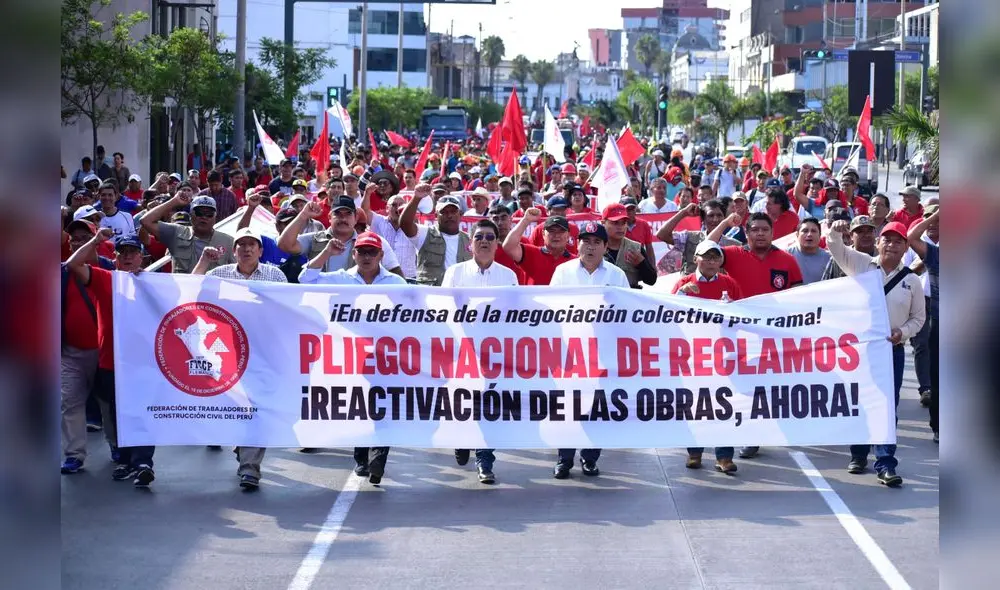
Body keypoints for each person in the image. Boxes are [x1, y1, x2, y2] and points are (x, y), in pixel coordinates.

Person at [298, 231, 406, 486]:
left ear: (381, 255)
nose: (367, 257)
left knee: (383, 406)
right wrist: (327, 253)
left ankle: (379, 456)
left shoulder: (396, 283)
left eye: (372, 252)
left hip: (385, 357)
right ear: (354, 254)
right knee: (360, 407)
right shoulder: (340, 278)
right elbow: (306, 278)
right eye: (362, 252)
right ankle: (361, 457)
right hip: (350, 356)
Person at [828, 219, 925, 487]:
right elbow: (836, 248)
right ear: (879, 242)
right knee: (859, 402)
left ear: (906, 247)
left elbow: (918, 319)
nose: (892, 245)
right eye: (887, 239)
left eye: (898, 241)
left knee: (886, 407)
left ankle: (885, 463)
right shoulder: (861, 264)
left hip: (890, 351)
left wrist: (902, 333)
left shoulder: (912, 281)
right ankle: (858, 454)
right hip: (859, 350)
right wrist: (836, 228)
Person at [192, 227, 287, 490]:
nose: (246, 249)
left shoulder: (274, 275)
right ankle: (242, 445)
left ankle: (250, 468)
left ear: (260, 250)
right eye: (241, 244)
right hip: (225, 352)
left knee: (258, 407)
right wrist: (204, 261)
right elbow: (189, 290)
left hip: (263, 352)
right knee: (235, 406)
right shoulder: (218, 274)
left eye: (252, 244)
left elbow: (285, 310)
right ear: (233, 251)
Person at [65, 228, 155, 487]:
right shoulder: (105, 279)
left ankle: (143, 462)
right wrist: (96, 240)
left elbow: (185, 292)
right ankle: (127, 461)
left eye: (133, 253)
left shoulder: (153, 282)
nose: (128, 257)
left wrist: (205, 261)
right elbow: (73, 264)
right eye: (123, 252)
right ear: (115, 257)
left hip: (143, 362)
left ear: (142, 257)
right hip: (110, 361)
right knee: (117, 414)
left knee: (141, 411)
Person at [441, 219, 519, 485]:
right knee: (463, 405)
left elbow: (516, 314)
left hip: (494, 355)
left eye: (490, 237)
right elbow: (444, 310)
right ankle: (463, 441)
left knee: (488, 408)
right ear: (470, 244)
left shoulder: (508, 276)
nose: (484, 241)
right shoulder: (455, 273)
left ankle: (485, 460)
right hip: (461, 351)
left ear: (497, 244)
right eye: (479, 237)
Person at [549, 221, 629, 479]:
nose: (590, 247)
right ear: (577, 243)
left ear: (606, 247)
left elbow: (629, 312)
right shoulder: (562, 272)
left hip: (603, 353)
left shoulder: (616, 275)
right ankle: (564, 459)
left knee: (597, 409)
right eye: (586, 241)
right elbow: (550, 310)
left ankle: (590, 458)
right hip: (570, 352)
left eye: (596, 242)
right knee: (568, 409)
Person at [671, 239, 743, 473]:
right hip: (693, 357)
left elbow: (743, 315)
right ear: (696, 259)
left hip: (721, 356)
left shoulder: (730, 284)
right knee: (695, 405)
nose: (711, 261)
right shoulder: (683, 283)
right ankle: (695, 452)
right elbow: (666, 314)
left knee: (724, 405)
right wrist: (681, 295)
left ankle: (724, 456)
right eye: (706, 256)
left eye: (715, 256)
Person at [60, 219, 117, 475]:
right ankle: (74, 454)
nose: (78, 242)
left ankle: (117, 446)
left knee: (108, 403)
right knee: (69, 402)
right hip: (70, 352)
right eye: (75, 239)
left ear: (96, 242)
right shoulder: (60, 272)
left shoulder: (111, 271)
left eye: (85, 238)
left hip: (105, 352)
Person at [277, 195, 402, 275]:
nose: (343, 218)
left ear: (356, 217)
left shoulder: (373, 241)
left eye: (348, 214)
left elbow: (395, 273)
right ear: (329, 217)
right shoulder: (315, 239)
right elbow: (284, 245)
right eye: (338, 214)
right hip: (320, 304)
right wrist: (303, 215)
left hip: (356, 306)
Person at [139, 191, 236, 274]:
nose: (204, 217)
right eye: (199, 213)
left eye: (209, 214)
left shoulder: (228, 242)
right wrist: (174, 201)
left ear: (215, 217)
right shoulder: (176, 232)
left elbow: (239, 271)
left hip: (214, 295)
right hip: (183, 293)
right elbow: (145, 221)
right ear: (190, 215)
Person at [906, 207, 940, 442]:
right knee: (939, 377)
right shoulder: (937, 255)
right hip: (940, 324)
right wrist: (938, 215)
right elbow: (911, 237)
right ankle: (939, 426)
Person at [399, 188, 471, 286]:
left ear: (460, 214)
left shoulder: (470, 240)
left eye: (453, 211)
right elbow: (405, 224)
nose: (449, 215)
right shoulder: (425, 234)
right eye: (444, 212)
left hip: (461, 296)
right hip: (431, 296)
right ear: (436, 216)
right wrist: (416, 198)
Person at [657, 201, 740, 275]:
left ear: (724, 219)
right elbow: (662, 234)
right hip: (691, 288)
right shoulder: (689, 237)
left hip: (721, 289)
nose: (715, 219)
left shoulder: (734, 245)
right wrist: (683, 212)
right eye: (711, 215)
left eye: (719, 215)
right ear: (703, 220)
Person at [502, 209, 577, 285]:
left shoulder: (576, 262)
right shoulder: (531, 254)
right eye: (551, 231)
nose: (556, 235)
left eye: (561, 231)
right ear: (543, 234)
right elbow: (509, 246)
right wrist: (526, 220)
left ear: (568, 236)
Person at [601, 203, 657, 289]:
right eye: (615, 223)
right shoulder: (596, 247)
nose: (620, 227)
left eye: (624, 223)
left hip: (628, 300)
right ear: (603, 223)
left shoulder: (635, 248)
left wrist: (641, 264)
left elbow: (651, 280)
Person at [786, 218, 830, 284]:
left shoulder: (829, 259)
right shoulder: (786, 256)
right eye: (805, 231)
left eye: (813, 231)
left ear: (820, 235)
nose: (809, 234)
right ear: (797, 235)